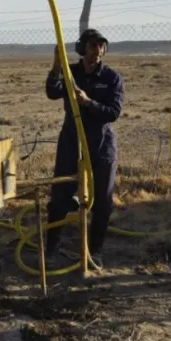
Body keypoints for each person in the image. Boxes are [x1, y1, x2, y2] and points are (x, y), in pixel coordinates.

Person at [44, 28, 124, 269]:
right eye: (93, 45)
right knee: (60, 195)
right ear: (82, 49)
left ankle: (94, 252)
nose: (98, 50)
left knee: (102, 200)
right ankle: (51, 248)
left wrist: (89, 102)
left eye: (102, 46)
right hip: (71, 140)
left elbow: (114, 112)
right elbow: (52, 91)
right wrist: (57, 65)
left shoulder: (112, 78)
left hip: (100, 143)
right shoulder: (72, 73)